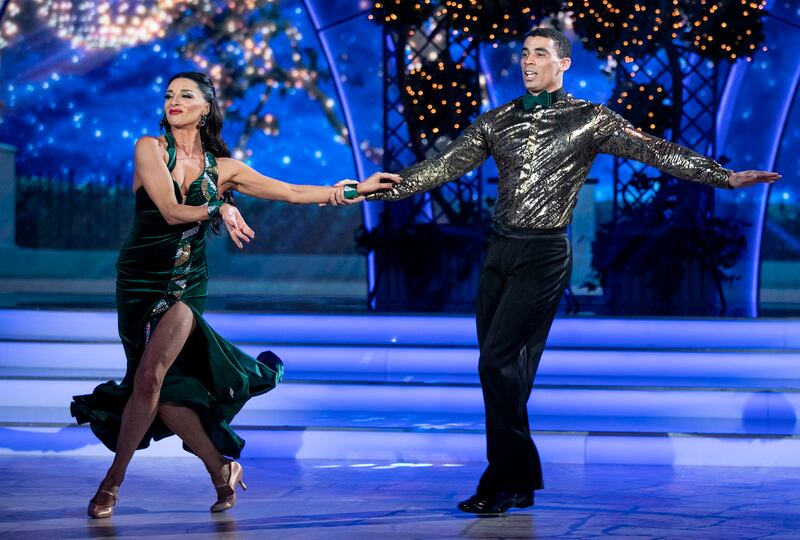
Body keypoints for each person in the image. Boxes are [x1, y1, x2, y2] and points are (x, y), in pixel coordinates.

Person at [341, 27, 780, 515]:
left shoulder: (589, 119)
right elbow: (442, 167)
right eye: (525, 53)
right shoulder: (497, 121)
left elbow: (656, 150)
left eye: (540, 53)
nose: (529, 61)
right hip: (499, 253)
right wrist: (375, 190)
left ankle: (503, 478)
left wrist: (723, 176)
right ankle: (518, 481)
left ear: (563, 63)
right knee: (508, 374)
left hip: (545, 254)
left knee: (495, 365)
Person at [71, 71, 399, 519]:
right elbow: (169, 211)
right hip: (137, 281)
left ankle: (112, 481)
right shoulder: (150, 148)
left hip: (186, 284)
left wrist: (355, 189)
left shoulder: (225, 169)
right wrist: (219, 206)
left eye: (186, 95)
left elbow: (291, 191)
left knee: (151, 379)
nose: (174, 101)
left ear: (206, 108)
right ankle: (219, 467)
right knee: (163, 392)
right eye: (169, 94)